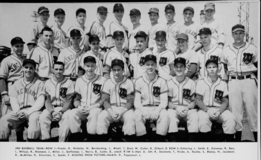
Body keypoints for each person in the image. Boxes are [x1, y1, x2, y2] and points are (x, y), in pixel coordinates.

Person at [222, 24, 258, 142]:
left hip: (249, 80)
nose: (238, 35)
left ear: (244, 34)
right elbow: (224, 66)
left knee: (252, 110)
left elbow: (257, 65)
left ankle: (257, 141)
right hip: (234, 81)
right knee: (235, 112)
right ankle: (237, 141)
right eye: (236, 33)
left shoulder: (252, 48)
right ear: (232, 35)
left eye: (241, 33)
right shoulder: (226, 49)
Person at [0, 59, 45, 142]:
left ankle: (32, 146)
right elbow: (13, 99)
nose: (28, 70)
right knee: (3, 121)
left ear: (35, 69)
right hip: (19, 111)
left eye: (31, 68)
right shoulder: (16, 83)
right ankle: (3, 147)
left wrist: (28, 112)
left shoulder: (39, 83)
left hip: (33, 111)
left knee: (33, 120)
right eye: (26, 67)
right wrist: (18, 112)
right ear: (22, 69)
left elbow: (40, 101)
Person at [195, 59, 236, 142]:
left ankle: (229, 144)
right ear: (206, 69)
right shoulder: (201, 82)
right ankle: (207, 144)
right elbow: (198, 100)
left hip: (219, 109)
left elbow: (225, 101)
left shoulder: (223, 83)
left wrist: (220, 111)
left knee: (230, 118)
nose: (212, 69)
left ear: (218, 68)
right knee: (203, 120)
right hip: (205, 109)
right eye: (209, 67)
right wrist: (207, 110)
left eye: (214, 67)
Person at [68, 56, 106, 141]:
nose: (90, 68)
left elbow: (104, 98)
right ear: (84, 67)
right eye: (88, 66)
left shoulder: (102, 80)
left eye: (92, 66)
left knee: (94, 114)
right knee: (72, 114)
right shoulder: (79, 80)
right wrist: (78, 107)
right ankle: (77, 137)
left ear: (96, 66)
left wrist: (93, 107)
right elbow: (76, 98)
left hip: (95, 108)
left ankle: (91, 139)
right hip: (83, 108)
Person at [97, 59, 135, 142]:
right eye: (114, 70)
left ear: (123, 70)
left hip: (125, 109)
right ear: (111, 71)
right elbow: (105, 100)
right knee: (101, 117)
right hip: (111, 108)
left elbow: (130, 101)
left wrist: (121, 113)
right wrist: (111, 112)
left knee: (130, 118)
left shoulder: (129, 82)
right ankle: (102, 142)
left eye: (118, 70)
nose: (116, 72)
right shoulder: (108, 82)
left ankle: (128, 141)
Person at [134, 54, 169, 142]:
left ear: (156, 65)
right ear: (144, 66)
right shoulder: (139, 81)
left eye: (152, 64)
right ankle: (142, 140)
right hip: (143, 107)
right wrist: (143, 111)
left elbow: (164, 101)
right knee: (137, 115)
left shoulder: (162, 81)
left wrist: (157, 111)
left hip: (157, 107)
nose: (150, 67)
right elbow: (137, 102)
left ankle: (159, 140)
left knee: (165, 115)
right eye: (148, 64)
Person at [39, 61, 74, 142]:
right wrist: (52, 112)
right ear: (53, 70)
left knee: (67, 118)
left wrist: (61, 112)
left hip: (64, 108)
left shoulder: (69, 82)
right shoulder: (47, 82)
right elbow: (47, 100)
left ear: (64, 70)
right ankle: (46, 141)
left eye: (61, 69)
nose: (58, 71)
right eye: (56, 69)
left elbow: (69, 100)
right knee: (43, 117)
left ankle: (62, 142)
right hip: (51, 108)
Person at [167, 57, 198, 142]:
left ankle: (192, 143)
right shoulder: (169, 82)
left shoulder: (191, 82)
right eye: (177, 66)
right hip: (174, 108)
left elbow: (194, 101)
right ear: (174, 68)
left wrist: (187, 108)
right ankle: (173, 143)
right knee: (170, 116)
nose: (179, 69)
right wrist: (177, 108)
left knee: (194, 116)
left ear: (185, 68)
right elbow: (167, 102)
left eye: (181, 66)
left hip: (187, 108)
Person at [0, 37, 26, 117]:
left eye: (21, 46)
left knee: (21, 114)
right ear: (12, 47)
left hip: (24, 87)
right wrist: (4, 94)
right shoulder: (6, 60)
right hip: (12, 86)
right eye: (17, 46)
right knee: (8, 115)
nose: (19, 48)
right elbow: (2, 78)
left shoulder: (26, 60)